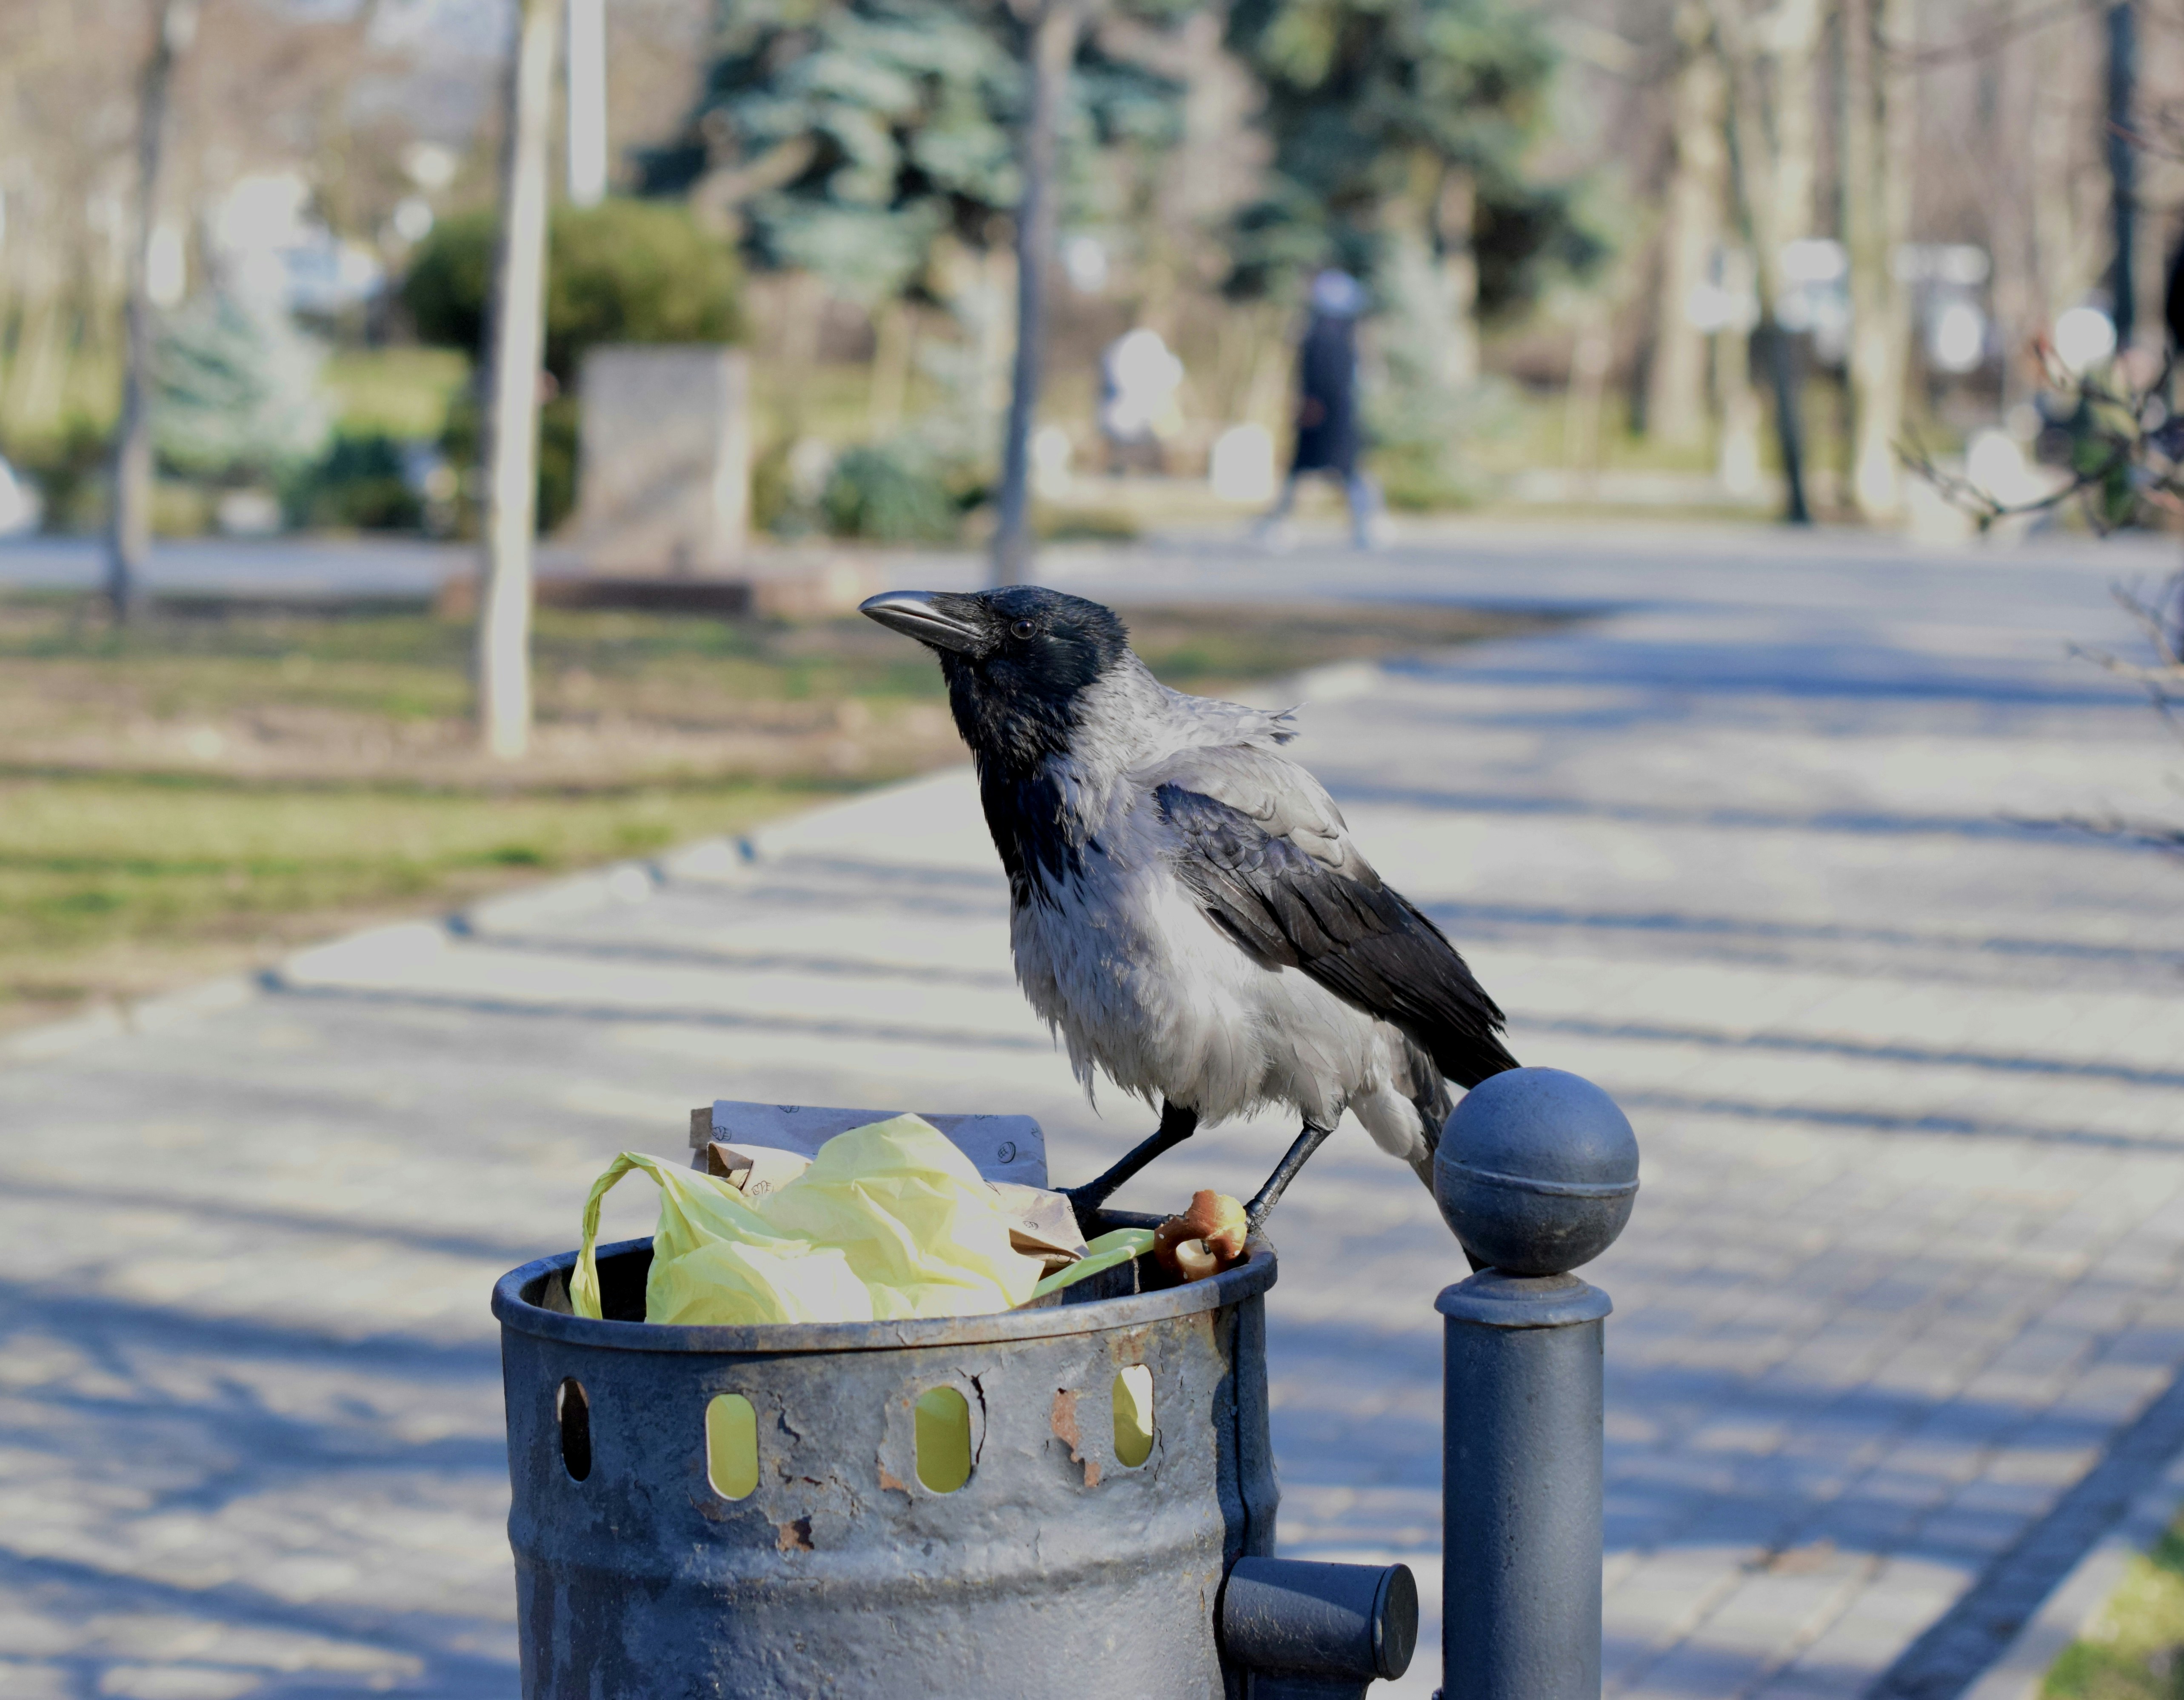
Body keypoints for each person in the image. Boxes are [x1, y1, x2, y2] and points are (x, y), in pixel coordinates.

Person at [1255, 269, 1380, 549]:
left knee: (1342, 471)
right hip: (1331, 412)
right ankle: (1277, 523)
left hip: (1329, 412)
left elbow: (1328, 378)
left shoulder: (1326, 335)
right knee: (1315, 470)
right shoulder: (1333, 334)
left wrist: (1312, 405)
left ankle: (1365, 524)